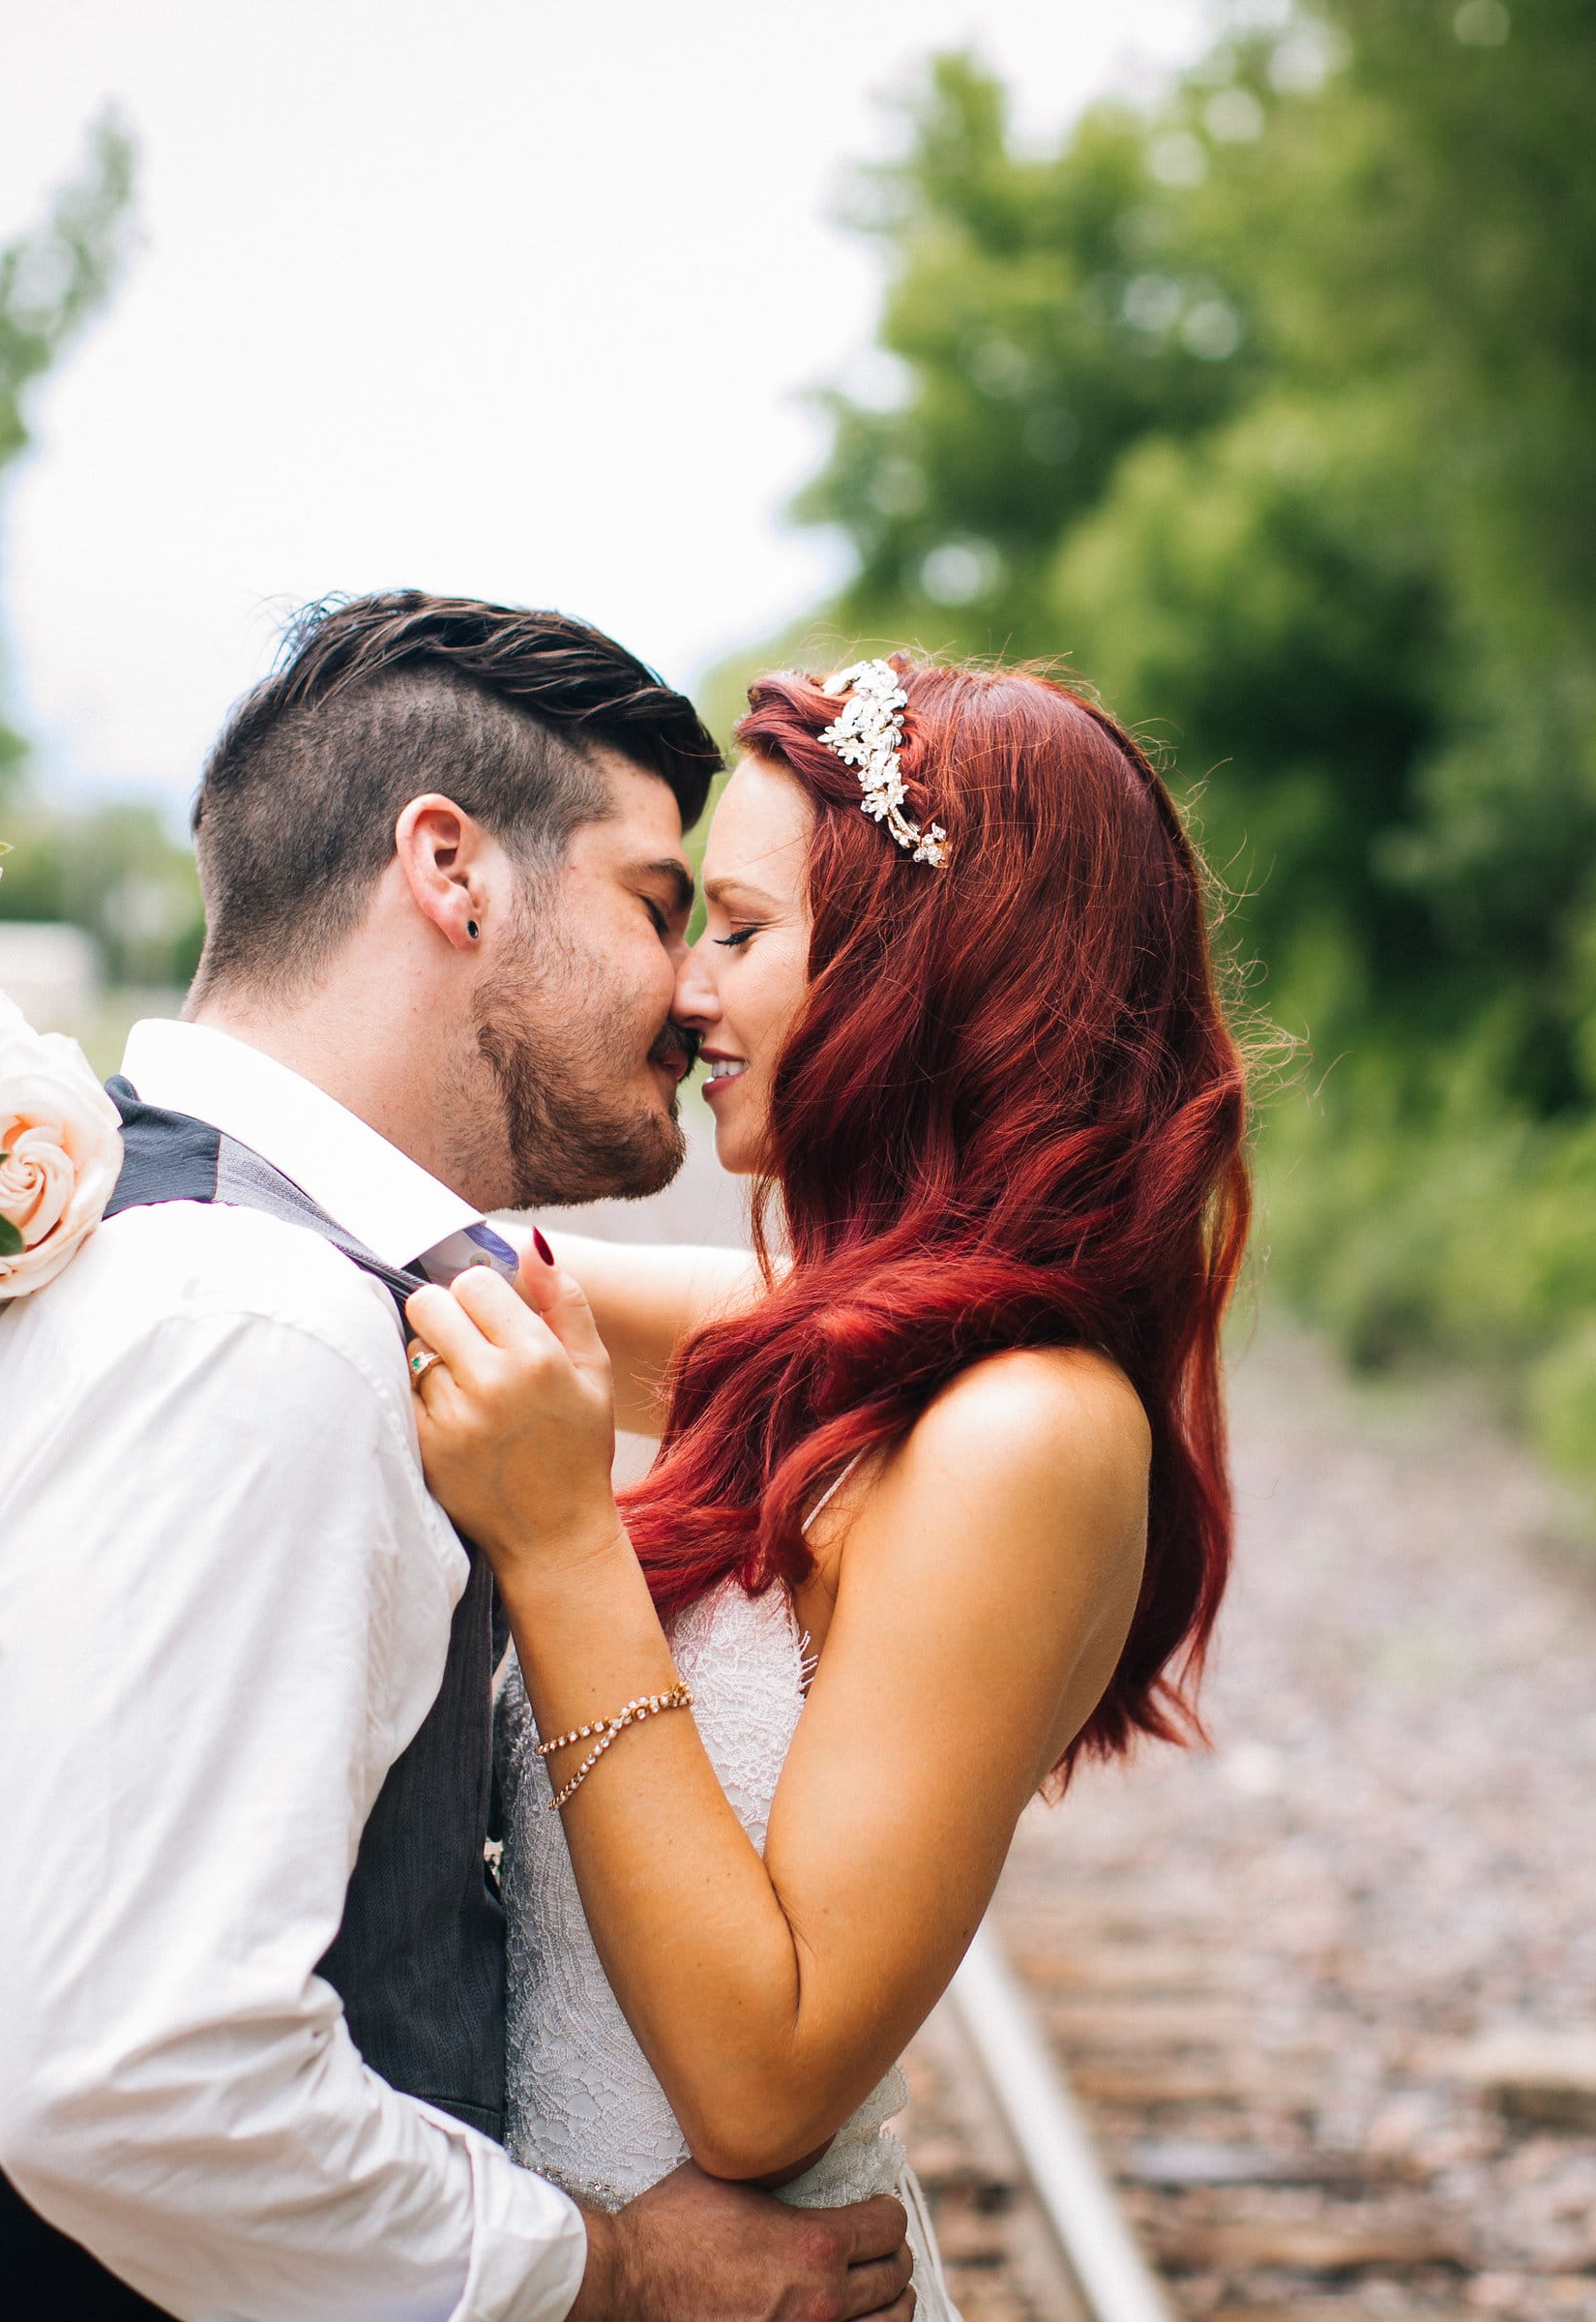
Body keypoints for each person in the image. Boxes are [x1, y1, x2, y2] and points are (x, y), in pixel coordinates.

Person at [0, 594, 920, 2322]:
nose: (692, 987)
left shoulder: (235, 1255)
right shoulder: (244, 1326)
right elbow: (131, 2071)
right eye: (653, 901)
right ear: (452, 871)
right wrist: (612, 2275)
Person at [402, 657, 1254, 2318]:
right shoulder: (854, 1351)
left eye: (735, 929)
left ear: (923, 970)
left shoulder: (1028, 1431)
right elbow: (439, 1272)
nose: (684, 996)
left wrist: (566, 1539)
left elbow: (765, 2080)